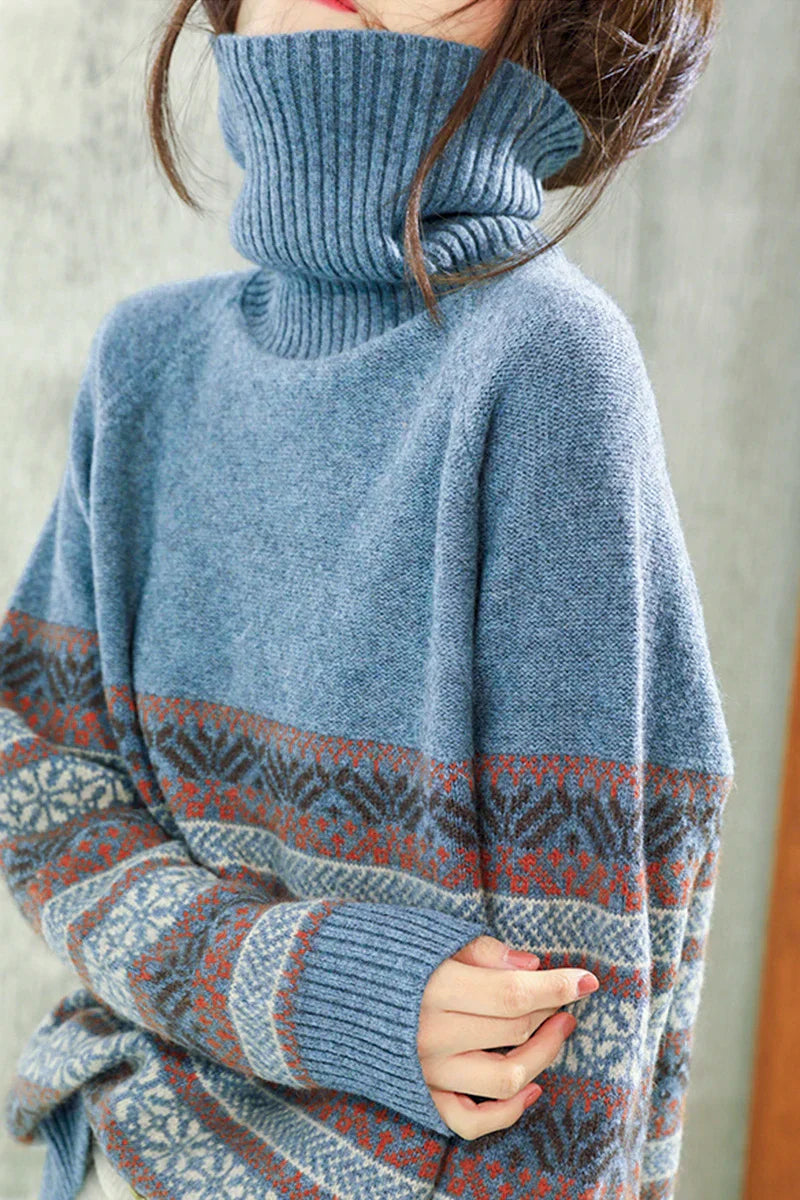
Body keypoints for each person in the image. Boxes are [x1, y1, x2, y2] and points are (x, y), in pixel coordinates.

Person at [0, 1, 735, 1198]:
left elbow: (563, 1065)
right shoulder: (144, 364)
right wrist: (316, 987)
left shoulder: (545, 368)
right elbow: (36, 781)